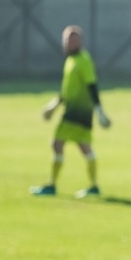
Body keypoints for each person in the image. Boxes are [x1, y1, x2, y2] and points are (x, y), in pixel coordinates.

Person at [32, 26, 110, 198]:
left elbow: (92, 85)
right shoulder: (70, 61)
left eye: (72, 40)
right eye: (67, 40)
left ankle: (52, 185)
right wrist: (54, 105)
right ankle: (94, 186)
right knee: (84, 147)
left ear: (80, 42)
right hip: (76, 110)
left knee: (57, 143)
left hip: (78, 111)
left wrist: (99, 109)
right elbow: (67, 90)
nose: (69, 43)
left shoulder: (83, 60)